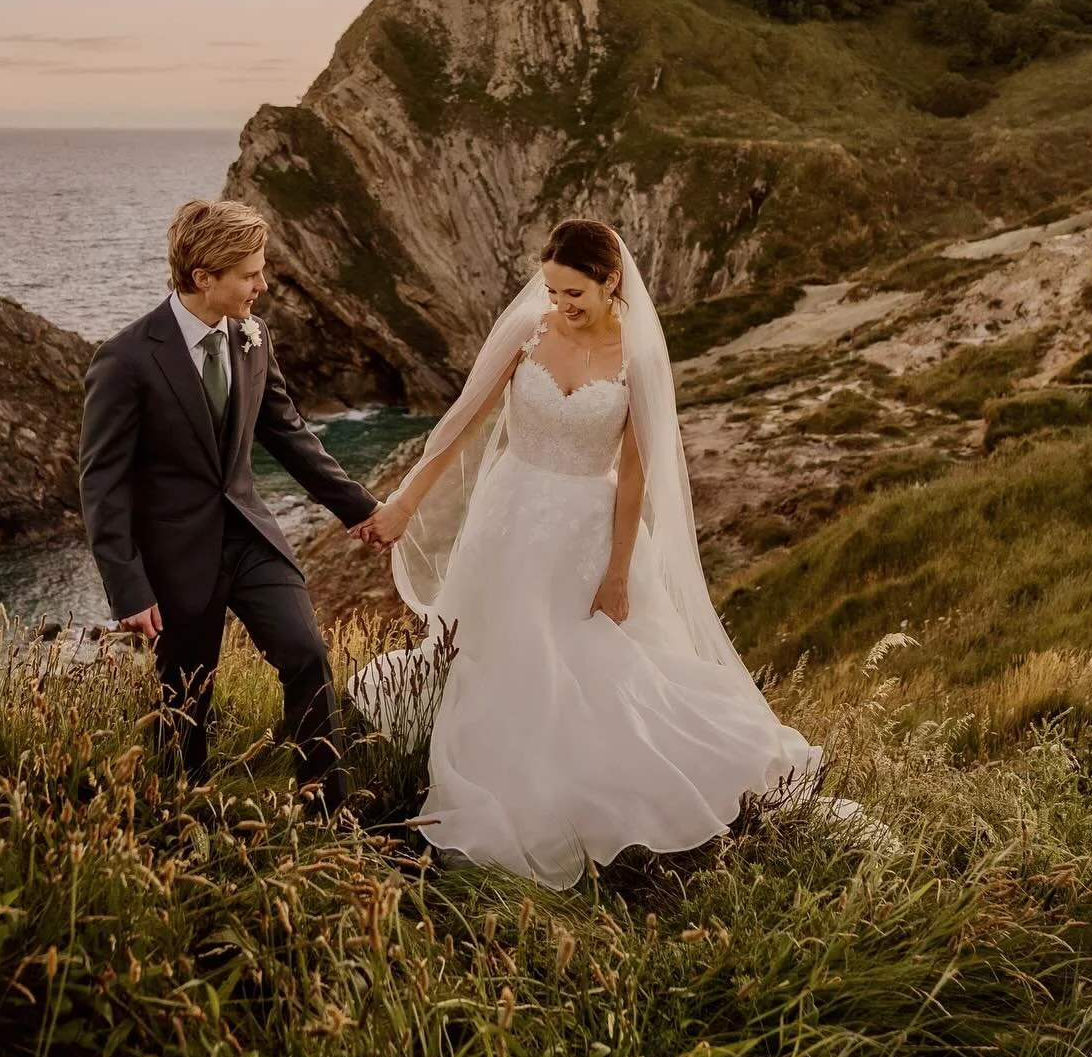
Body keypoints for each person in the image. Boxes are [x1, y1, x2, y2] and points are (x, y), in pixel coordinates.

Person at [351, 218, 828, 887]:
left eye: (573, 291)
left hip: (587, 531)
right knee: (493, 655)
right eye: (550, 288)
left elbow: (633, 474)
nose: (560, 303)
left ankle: (597, 794)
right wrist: (403, 503)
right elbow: (462, 418)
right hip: (509, 518)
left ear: (610, 281)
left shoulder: (638, 356)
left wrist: (616, 573)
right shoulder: (529, 332)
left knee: (598, 669)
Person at [78, 197, 380, 813]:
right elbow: (101, 482)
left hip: (251, 539)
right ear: (203, 278)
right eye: (250, 274)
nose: (263, 286)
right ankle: (181, 819)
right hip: (176, 557)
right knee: (186, 699)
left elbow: (288, 432)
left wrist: (361, 509)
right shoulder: (126, 359)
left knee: (309, 656)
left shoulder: (253, 337)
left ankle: (327, 810)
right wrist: (128, 588)